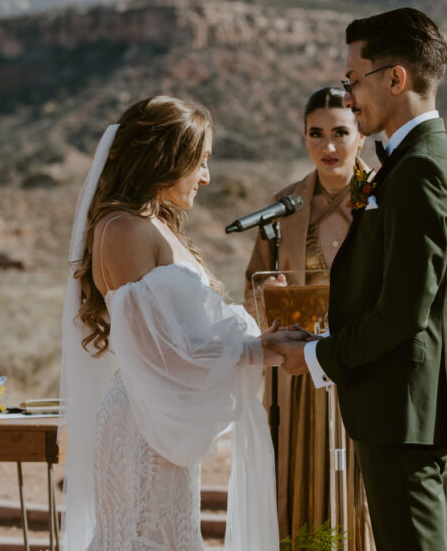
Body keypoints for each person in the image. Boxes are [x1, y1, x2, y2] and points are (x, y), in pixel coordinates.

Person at [267, 8, 447, 551]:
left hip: (406, 414)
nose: (349, 95)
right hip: (403, 410)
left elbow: (403, 313)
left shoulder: (423, 170)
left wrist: (317, 356)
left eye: (352, 80)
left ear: (395, 78)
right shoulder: (421, 161)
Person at [58, 95, 295, 551]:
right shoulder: (126, 230)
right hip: (144, 423)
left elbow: (185, 334)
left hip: (155, 413)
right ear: (166, 158)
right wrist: (255, 349)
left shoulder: (152, 224)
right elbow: (164, 351)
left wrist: (258, 331)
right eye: (200, 162)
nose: (206, 176)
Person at [242, 86, 374, 549]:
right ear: (304, 138)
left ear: (362, 135)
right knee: (295, 478)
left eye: (341, 132)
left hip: (363, 367)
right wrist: (268, 295)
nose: (329, 146)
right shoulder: (285, 205)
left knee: (360, 484)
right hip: (296, 379)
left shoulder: (384, 200)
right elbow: (251, 287)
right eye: (316, 134)